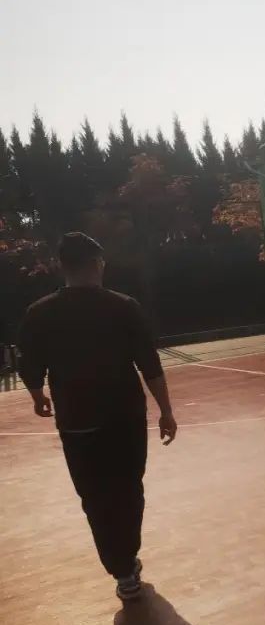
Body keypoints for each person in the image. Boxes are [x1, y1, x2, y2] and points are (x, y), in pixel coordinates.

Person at [16, 232, 177, 602]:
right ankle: (127, 559)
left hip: (77, 420)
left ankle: (121, 569)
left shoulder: (39, 313)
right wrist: (166, 410)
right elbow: (149, 364)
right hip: (124, 417)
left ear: (61, 266)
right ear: (98, 263)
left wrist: (38, 396)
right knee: (128, 488)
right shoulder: (123, 307)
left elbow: (30, 365)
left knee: (94, 496)